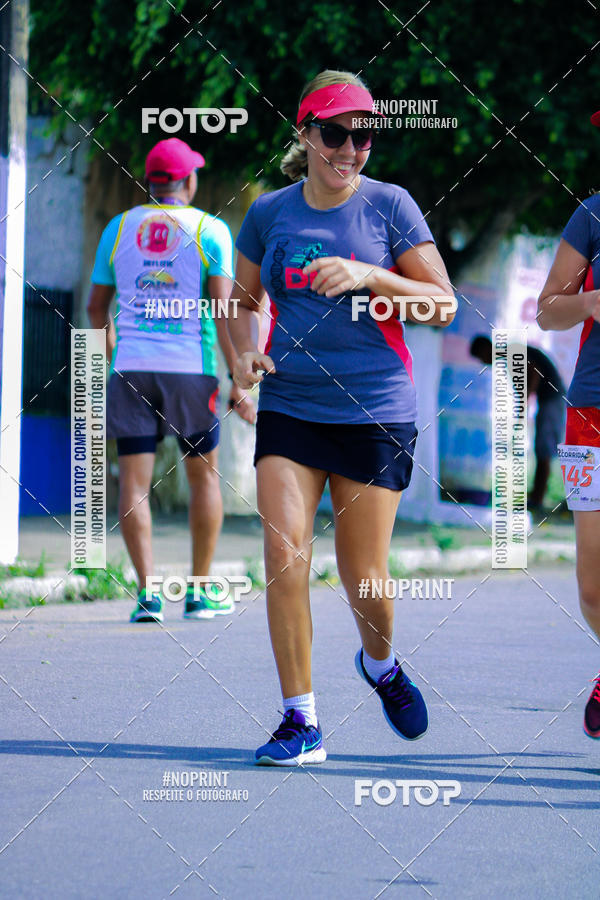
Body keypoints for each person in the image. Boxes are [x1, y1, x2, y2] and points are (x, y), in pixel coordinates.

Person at [228, 70, 455, 765]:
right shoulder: (269, 214)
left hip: (376, 412)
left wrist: (371, 277)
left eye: (364, 135)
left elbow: (441, 304)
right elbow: (240, 303)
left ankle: (380, 665)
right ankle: (301, 721)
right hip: (293, 407)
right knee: (284, 553)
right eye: (336, 133)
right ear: (305, 133)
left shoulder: (391, 207)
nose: (351, 148)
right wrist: (242, 358)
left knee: (368, 583)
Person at [87, 137, 254, 623]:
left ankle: (147, 595)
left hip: (132, 370)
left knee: (133, 484)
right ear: (190, 181)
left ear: (151, 183)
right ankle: (200, 592)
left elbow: (98, 307)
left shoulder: (118, 229)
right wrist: (236, 378)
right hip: (191, 373)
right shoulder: (211, 229)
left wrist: (115, 348)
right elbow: (223, 311)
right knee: (203, 478)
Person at [537, 108, 600, 740]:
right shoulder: (592, 214)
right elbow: (548, 311)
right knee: (591, 584)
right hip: (591, 410)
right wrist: (592, 301)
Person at [470, 335, 566, 508]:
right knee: (541, 448)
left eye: (481, 357)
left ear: (486, 349)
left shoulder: (510, 353)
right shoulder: (508, 356)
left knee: (544, 448)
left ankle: (538, 499)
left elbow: (532, 373)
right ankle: (537, 495)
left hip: (553, 398)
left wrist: (523, 407)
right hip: (547, 399)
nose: (483, 362)